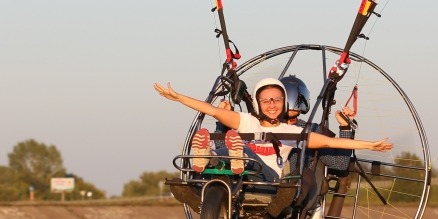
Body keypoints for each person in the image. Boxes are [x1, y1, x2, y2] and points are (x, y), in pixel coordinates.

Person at [154, 77, 392, 182]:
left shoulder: (298, 131)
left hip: (271, 179)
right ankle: (208, 157)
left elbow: (333, 148)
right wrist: (178, 97)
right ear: (259, 104)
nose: (272, 105)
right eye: (267, 100)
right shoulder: (247, 120)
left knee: (239, 148)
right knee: (228, 146)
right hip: (236, 169)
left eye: (277, 100)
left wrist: (366, 142)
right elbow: (212, 110)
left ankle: (224, 157)